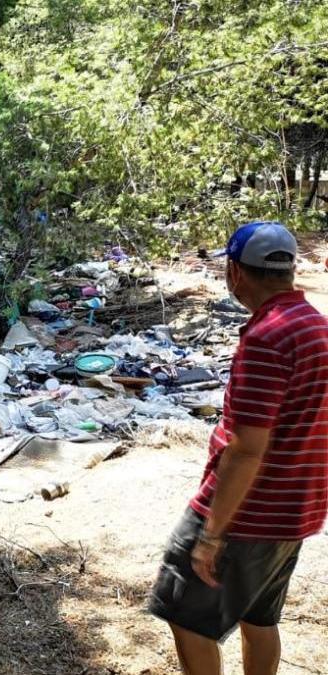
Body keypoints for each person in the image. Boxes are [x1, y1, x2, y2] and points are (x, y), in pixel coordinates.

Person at [149, 221, 328, 675]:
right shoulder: (315, 326)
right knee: (258, 617)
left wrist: (211, 534)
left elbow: (247, 449)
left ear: (235, 272)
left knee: (186, 617)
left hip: (249, 514)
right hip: (294, 511)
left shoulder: (268, 338)